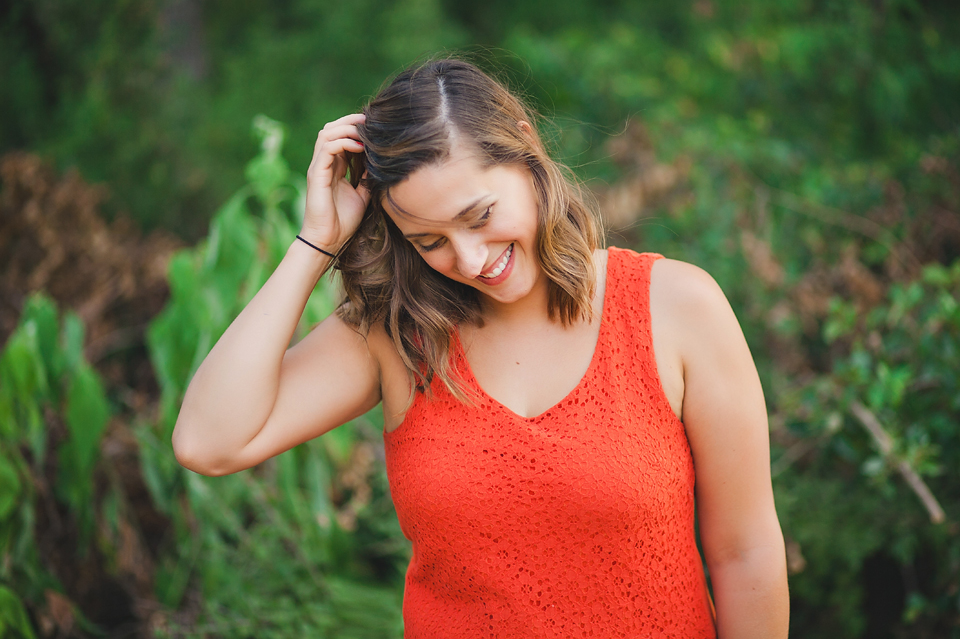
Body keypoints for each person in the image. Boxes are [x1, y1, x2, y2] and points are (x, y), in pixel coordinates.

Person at [172, 58, 789, 638]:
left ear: (526, 148)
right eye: (429, 240)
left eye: (479, 215)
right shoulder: (396, 335)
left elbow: (745, 552)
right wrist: (315, 241)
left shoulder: (675, 307)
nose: (468, 260)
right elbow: (208, 441)